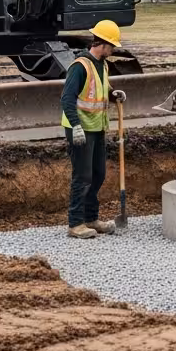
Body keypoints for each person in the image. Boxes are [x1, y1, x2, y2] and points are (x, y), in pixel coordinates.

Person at [60, 20, 126, 239]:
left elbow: (100, 90)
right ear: (103, 43)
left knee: (98, 174)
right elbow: (67, 99)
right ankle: (75, 223)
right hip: (80, 128)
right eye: (112, 45)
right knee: (83, 176)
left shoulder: (103, 65)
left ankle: (90, 218)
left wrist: (113, 95)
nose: (113, 49)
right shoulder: (80, 66)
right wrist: (76, 126)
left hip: (97, 127)